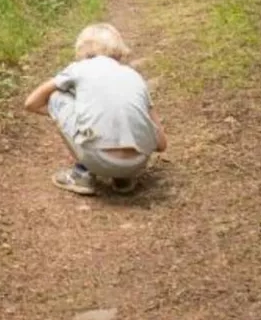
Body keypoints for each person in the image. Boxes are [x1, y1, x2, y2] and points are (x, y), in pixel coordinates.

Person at [23, 23, 166, 196]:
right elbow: (161, 144)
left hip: (98, 159)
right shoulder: (135, 76)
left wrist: (64, 114)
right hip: (137, 163)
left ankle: (82, 174)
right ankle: (123, 179)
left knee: (56, 97)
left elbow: (31, 103)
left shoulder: (80, 68)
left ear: (83, 49)